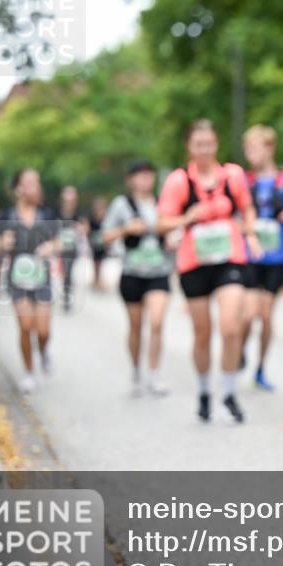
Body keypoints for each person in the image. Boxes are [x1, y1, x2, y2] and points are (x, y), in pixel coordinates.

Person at [157, 119, 259, 423]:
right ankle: (204, 390)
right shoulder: (178, 181)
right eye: (198, 145)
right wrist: (186, 218)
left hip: (229, 257)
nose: (204, 150)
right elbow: (162, 222)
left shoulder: (232, 175)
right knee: (203, 333)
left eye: (209, 144)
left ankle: (228, 392)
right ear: (190, 146)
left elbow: (247, 207)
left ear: (216, 144)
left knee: (230, 326)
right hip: (194, 263)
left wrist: (250, 232)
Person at [240, 125, 283, 390]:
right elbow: (236, 216)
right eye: (247, 148)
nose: (251, 153)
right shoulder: (244, 182)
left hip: (276, 257)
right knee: (248, 315)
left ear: (270, 148)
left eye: (255, 147)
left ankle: (260, 368)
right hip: (250, 256)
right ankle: (241, 349)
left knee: (266, 316)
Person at [102, 160, 173, 397]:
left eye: (149, 175)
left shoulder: (163, 204)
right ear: (131, 179)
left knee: (157, 322)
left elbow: (175, 229)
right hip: (132, 272)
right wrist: (126, 230)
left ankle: (154, 373)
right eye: (140, 176)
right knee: (136, 327)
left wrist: (173, 239)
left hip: (159, 272)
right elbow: (105, 237)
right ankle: (136, 371)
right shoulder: (122, 205)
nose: (146, 180)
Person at [0, 168, 58, 394]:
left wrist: (50, 247)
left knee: (43, 331)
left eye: (37, 182)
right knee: (25, 327)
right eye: (31, 182)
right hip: (17, 279)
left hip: (41, 279)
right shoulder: (7, 216)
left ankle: (43, 352)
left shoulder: (47, 214)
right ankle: (28, 372)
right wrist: (2, 243)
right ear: (18, 188)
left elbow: (61, 241)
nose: (36, 187)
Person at [56, 185, 87, 311]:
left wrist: (80, 229)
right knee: (63, 273)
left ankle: (67, 296)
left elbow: (85, 228)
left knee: (68, 273)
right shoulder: (57, 212)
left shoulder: (79, 213)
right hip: (58, 248)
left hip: (72, 249)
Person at [88, 197, 108, 290]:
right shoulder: (92, 218)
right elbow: (89, 231)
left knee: (101, 262)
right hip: (94, 243)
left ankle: (99, 279)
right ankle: (96, 279)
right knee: (95, 262)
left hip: (102, 243)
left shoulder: (106, 218)